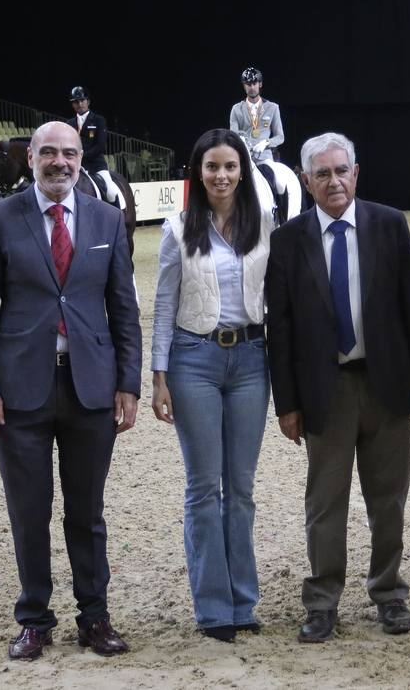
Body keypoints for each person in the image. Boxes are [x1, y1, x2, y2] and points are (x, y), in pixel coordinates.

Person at [0, 121, 142, 662]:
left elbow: (124, 309)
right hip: (20, 391)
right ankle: (34, 619)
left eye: (68, 153)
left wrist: (128, 384)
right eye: (48, 153)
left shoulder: (107, 219)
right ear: (31, 159)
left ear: (81, 157)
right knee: (29, 511)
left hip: (92, 388)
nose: (59, 162)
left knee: (87, 512)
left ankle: (95, 616)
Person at [265, 132, 410, 643]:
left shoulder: (389, 225)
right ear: (306, 181)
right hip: (326, 392)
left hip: (387, 386)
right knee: (325, 502)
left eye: (342, 170)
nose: (334, 181)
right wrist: (287, 404)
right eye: (323, 173)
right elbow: (280, 330)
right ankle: (322, 602)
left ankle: (389, 593)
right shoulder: (288, 240)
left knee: (388, 499)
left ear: (356, 173)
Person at [150, 128, 273, 642]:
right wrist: (158, 376)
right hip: (193, 360)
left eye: (229, 166)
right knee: (203, 488)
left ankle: (243, 601)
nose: (221, 176)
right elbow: (163, 304)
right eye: (212, 167)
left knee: (240, 489)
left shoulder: (263, 223)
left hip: (250, 360)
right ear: (198, 173)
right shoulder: (178, 229)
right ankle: (214, 608)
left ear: (242, 170)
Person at [65, 86, 125, 201]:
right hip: (75, 167)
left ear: (88, 102)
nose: (79, 104)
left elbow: (100, 146)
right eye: (76, 102)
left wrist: (81, 157)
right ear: (72, 104)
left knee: (111, 193)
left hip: (96, 165)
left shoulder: (98, 120)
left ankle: (117, 212)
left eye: (82, 100)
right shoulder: (69, 124)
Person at [228, 66, 285, 181]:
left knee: (277, 183)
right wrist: (240, 140)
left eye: (254, 83)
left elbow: (280, 137)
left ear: (260, 84)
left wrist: (266, 143)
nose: (252, 87)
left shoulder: (272, 108)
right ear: (244, 86)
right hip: (243, 157)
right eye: (248, 84)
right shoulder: (236, 109)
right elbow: (232, 135)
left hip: (264, 157)